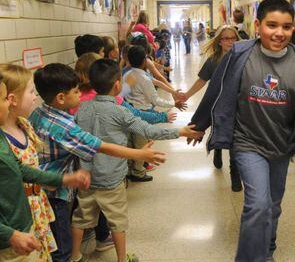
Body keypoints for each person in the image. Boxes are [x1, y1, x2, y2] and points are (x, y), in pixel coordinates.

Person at [188, 0, 295, 261]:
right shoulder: (239, 54)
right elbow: (217, 90)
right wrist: (200, 124)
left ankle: (266, 249)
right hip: (247, 142)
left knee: (272, 205)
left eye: (286, 26)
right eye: (272, 25)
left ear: (293, 28)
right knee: (257, 204)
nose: (279, 33)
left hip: (281, 145)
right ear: (258, 25)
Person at [29, 63, 166, 261]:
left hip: (45, 186)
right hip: (56, 189)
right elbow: (100, 146)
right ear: (60, 97)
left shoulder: (38, 113)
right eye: (76, 91)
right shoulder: (64, 124)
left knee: (68, 229)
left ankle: (75, 256)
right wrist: (139, 154)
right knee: (62, 247)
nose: (80, 95)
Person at [71, 59, 203, 262]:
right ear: (117, 84)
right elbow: (148, 131)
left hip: (86, 176)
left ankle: (75, 256)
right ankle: (122, 259)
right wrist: (181, 132)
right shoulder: (120, 111)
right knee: (117, 221)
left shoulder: (82, 107)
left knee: (81, 217)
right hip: (112, 178)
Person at [0, 70, 90, 262]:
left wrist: (64, 179)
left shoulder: (22, 126)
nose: (36, 97)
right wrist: (10, 234)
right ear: (11, 99)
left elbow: (23, 169)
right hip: (15, 220)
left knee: (45, 251)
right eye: (31, 92)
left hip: (33, 208)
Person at [183, 25, 242, 192]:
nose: (229, 41)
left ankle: (235, 177)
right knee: (219, 129)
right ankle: (217, 148)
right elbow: (202, 80)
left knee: (235, 140)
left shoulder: (242, 58)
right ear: (219, 41)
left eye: (233, 38)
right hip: (218, 105)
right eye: (225, 38)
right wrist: (186, 95)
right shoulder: (214, 60)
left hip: (237, 107)